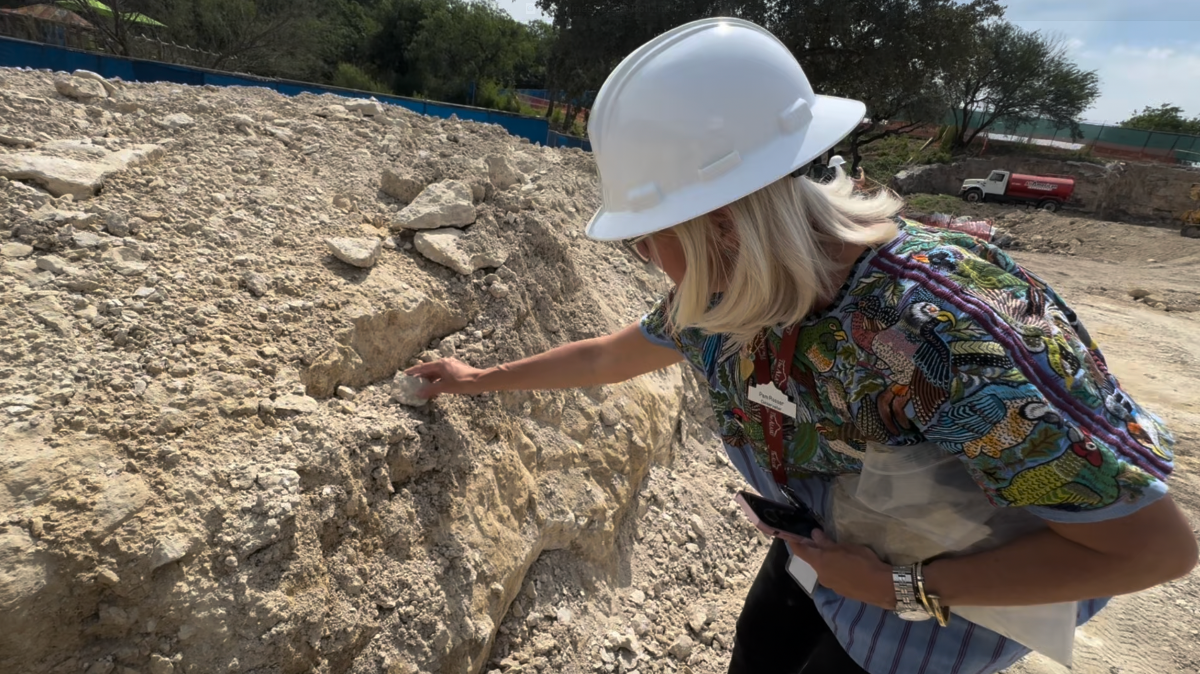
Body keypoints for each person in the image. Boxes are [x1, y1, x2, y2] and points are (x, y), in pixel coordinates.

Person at [405, 17, 1198, 674]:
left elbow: (1150, 551)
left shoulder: (943, 340)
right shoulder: (724, 295)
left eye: (647, 240)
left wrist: (901, 587)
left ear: (722, 221)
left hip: (931, 609)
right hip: (826, 547)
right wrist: (479, 378)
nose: (646, 262)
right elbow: (611, 356)